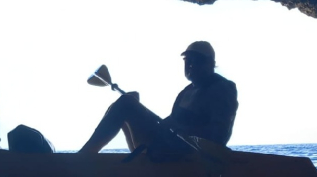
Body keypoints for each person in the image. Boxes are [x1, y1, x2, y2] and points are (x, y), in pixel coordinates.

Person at [78, 41, 238, 156]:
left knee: (127, 103)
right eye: (187, 61)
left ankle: (84, 157)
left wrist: (181, 128)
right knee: (131, 98)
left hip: (187, 155)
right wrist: (169, 124)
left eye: (197, 61)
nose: (190, 65)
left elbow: (219, 135)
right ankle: (137, 160)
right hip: (167, 147)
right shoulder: (186, 91)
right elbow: (172, 122)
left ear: (211, 63)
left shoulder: (222, 88)